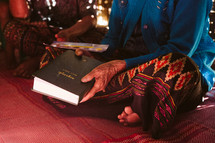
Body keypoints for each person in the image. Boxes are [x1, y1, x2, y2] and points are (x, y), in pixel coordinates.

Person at [42, 0, 215, 139]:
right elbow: (113, 38)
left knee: (179, 67)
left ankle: (122, 101)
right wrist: (91, 53)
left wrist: (121, 64)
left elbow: (180, 49)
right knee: (55, 58)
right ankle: (141, 104)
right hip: (130, 70)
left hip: (166, 70)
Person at [3, 0, 97, 78]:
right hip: (42, 36)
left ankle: (40, 60)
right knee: (11, 29)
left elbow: (90, 18)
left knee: (94, 42)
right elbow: (20, 15)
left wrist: (69, 33)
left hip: (72, 35)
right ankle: (48, 57)